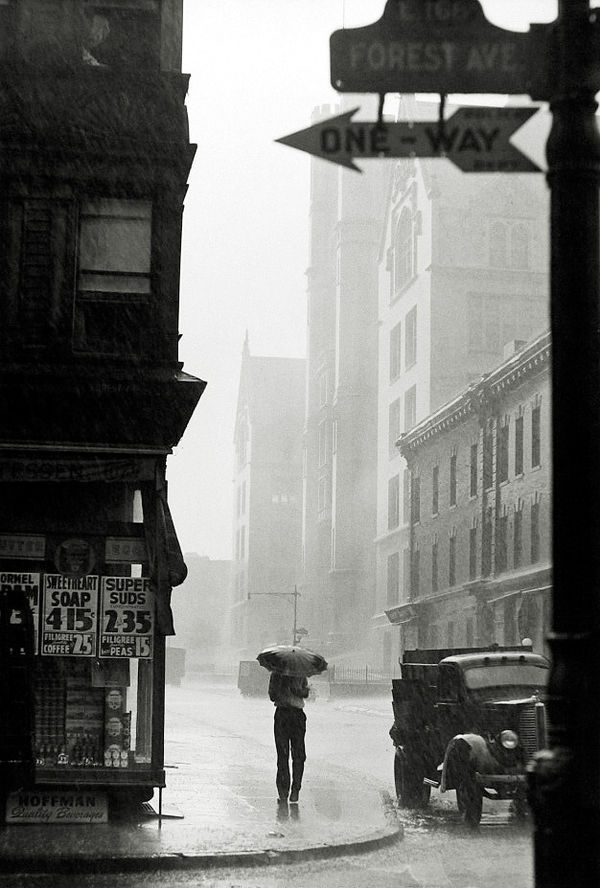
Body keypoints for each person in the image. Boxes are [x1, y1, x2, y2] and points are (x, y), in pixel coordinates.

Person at [268, 671, 309, 803]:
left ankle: (290, 790)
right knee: (289, 754)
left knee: (292, 754)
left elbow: (305, 693)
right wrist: (285, 687)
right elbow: (272, 695)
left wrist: (295, 690)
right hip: (289, 714)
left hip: (289, 715)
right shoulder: (280, 674)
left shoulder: (297, 674)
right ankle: (288, 791)